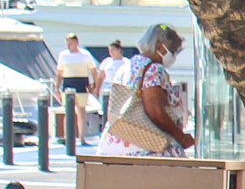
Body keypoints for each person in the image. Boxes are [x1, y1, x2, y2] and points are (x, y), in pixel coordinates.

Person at [94, 24, 193, 157]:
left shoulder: (127, 65)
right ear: (159, 47)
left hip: (118, 143)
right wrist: (180, 137)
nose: (174, 56)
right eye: (172, 51)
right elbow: (155, 110)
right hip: (148, 146)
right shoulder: (154, 69)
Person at [53, 33, 94, 148]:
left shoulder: (85, 55)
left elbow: (93, 70)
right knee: (68, 111)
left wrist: (93, 85)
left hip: (81, 83)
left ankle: (82, 137)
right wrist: (57, 88)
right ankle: (68, 137)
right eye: (67, 43)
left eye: (70, 43)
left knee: (81, 111)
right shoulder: (63, 55)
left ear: (76, 43)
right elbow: (59, 73)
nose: (68, 45)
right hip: (68, 83)